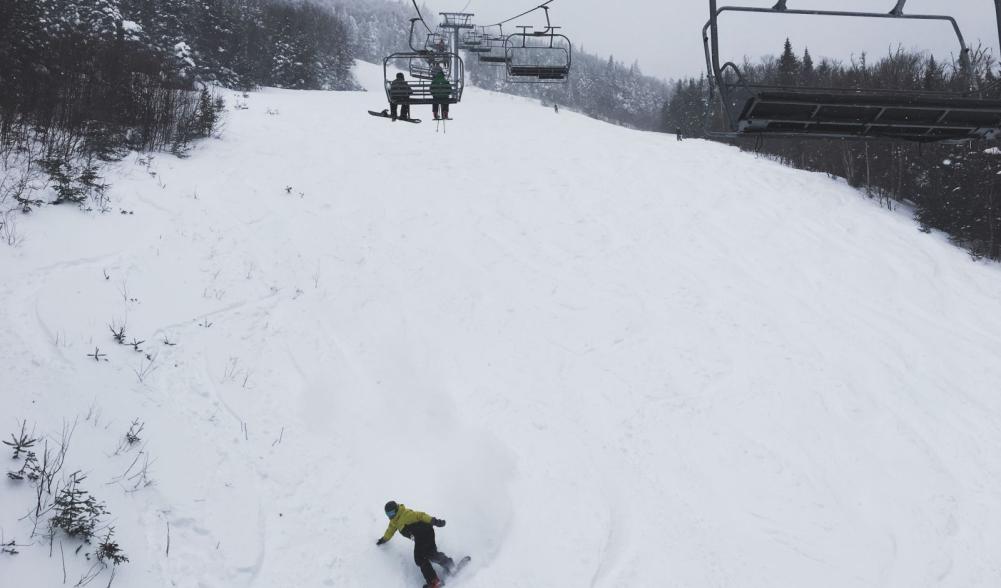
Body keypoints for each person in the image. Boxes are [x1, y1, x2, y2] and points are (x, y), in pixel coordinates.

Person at [376, 501, 454, 588]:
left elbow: (421, 515)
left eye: (392, 513)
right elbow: (390, 531)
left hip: (423, 533)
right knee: (431, 554)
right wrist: (383, 539)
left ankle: (434, 581)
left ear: (396, 510)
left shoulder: (405, 514)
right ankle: (449, 565)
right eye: (388, 514)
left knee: (420, 558)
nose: (390, 516)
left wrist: (435, 521)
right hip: (424, 535)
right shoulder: (394, 522)